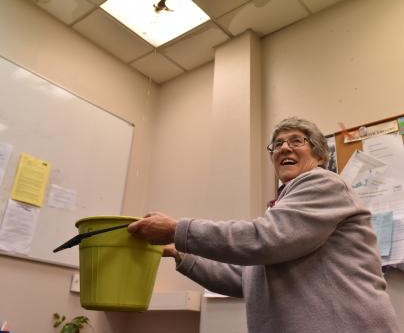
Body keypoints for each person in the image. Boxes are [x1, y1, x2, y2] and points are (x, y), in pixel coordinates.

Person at [128, 117, 400, 333]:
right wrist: (179, 252)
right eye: (278, 144)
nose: (284, 148)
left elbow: (265, 238)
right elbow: (245, 279)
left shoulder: (324, 183)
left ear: (319, 156)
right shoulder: (284, 208)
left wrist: (178, 229)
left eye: (297, 141)